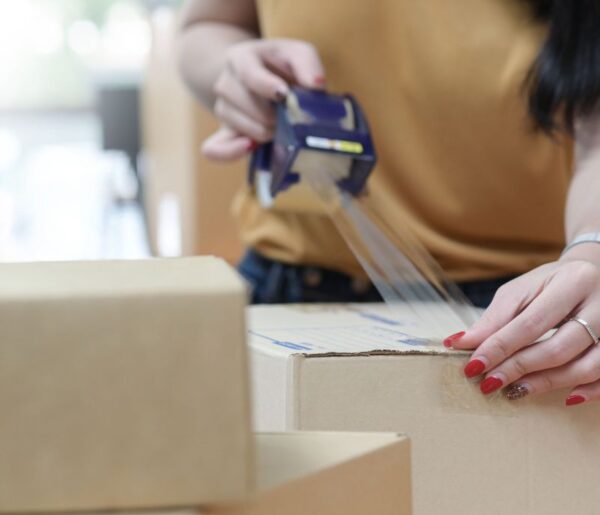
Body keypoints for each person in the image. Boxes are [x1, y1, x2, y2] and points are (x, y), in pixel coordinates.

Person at [177, 0, 600, 407]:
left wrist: (590, 253)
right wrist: (233, 70)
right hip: (287, 290)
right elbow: (205, 26)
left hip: (519, 314)